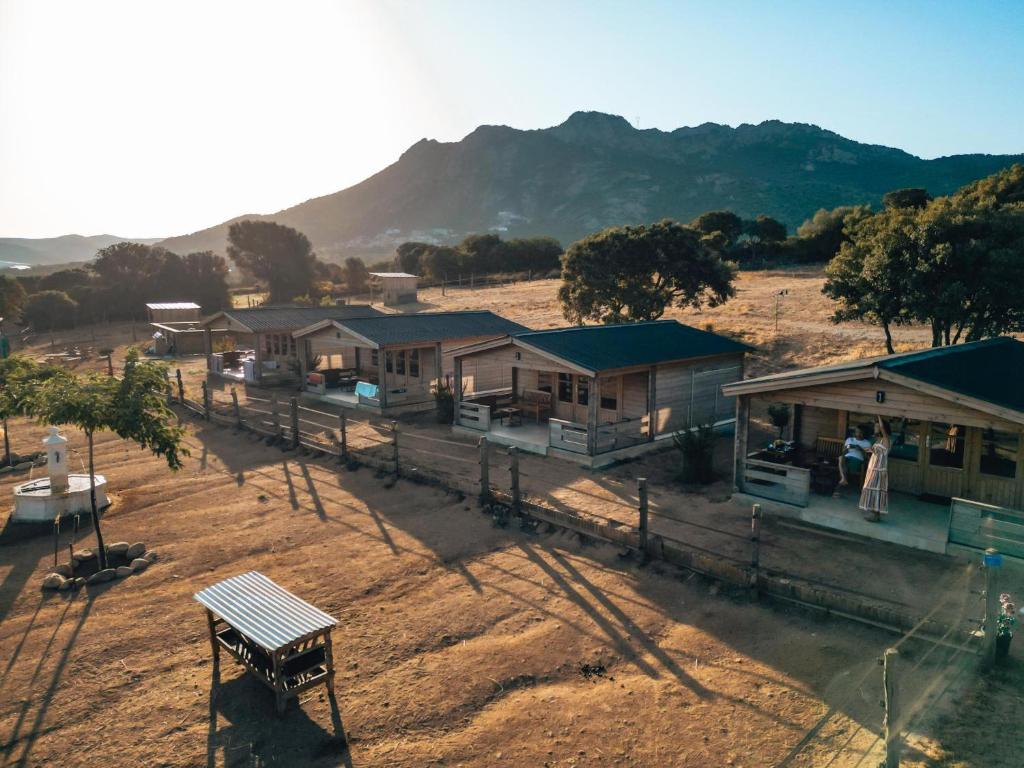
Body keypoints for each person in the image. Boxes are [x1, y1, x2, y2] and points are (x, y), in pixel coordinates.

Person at [860, 416, 891, 522]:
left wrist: (879, 416)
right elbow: (875, 451)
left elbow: (882, 427)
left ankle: (876, 514)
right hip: (873, 467)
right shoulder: (877, 440)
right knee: (871, 489)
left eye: (877, 427)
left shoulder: (885, 439)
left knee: (877, 491)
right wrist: (867, 449)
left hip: (880, 469)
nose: (876, 428)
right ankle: (874, 513)